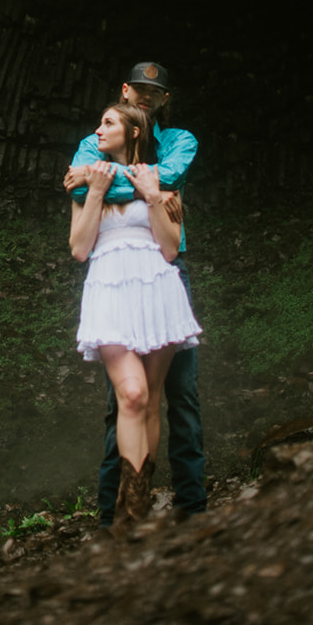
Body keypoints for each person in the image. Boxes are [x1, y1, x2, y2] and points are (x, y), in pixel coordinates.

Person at [65, 61, 206, 523]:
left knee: (180, 395)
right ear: (125, 90)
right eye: (139, 89)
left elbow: (168, 181)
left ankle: (192, 508)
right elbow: (86, 191)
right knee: (126, 399)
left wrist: (102, 181)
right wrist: (143, 183)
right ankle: (116, 515)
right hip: (112, 276)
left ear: (166, 100)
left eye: (156, 92)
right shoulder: (97, 137)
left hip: (163, 270)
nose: (146, 97)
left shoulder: (179, 141)